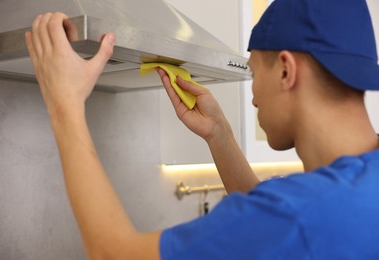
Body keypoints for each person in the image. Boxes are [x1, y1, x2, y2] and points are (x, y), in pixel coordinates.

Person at [25, 0, 379, 259]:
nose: (253, 98)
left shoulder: (300, 214)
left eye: (255, 74)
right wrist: (218, 133)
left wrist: (64, 103)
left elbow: (111, 253)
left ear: (286, 71)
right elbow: (274, 222)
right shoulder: (350, 187)